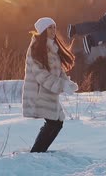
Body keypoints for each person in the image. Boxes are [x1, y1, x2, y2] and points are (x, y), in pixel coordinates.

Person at [22, 17, 79, 153]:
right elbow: (41, 75)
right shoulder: (36, 49)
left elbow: (58, 71)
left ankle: (39, 151)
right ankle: (37, 152)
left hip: (49, 93)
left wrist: (67, 82)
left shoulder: (52, 47)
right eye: (50, 27)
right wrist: (61, 85)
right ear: (42, 30)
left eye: (54, 27)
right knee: (54, 122)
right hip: (39, 93)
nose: (53, 30)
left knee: (57, 123)